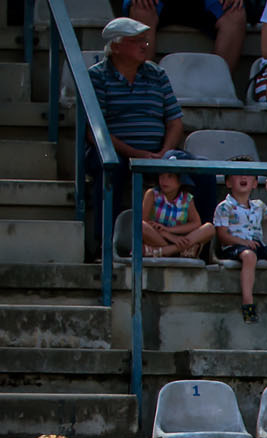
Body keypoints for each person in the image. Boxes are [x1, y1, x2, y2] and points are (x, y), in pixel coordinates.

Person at [83, 19, 183, 258]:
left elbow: (175, 122)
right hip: (117, 151)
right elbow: (95, 132)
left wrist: (163, 153)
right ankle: (104, 245)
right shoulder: (97, 77)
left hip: (159, 152)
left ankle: (196, 244)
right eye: (136, 41)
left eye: (144, 40)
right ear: (115, 47)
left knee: (193, 169)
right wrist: (137, 155)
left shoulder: (157, 74)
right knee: (109, 166)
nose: (144, 45)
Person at [211, 172, 267, 322]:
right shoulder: (224, 207)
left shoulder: (258, 206)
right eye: (238, 175)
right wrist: (243, 243)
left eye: (249, 175)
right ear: (228, 183)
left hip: (256, 245)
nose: (243, 178)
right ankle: (248, 304)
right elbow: (222, 235)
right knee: (249, 256)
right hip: (234, 246)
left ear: (255, 183)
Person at [139, 168, 213, 261]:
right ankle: (179, 251)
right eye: (161, 176)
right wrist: (167, 235)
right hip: (158, 237)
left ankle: (166, 251)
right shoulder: (152, 194)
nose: (164, 180)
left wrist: (170, 230)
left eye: (170, 176)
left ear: (180, 180)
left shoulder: (187, 198)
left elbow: (196, 223)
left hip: (180, 239)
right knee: (141, 226)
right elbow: (143, 221)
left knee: (209, 228)